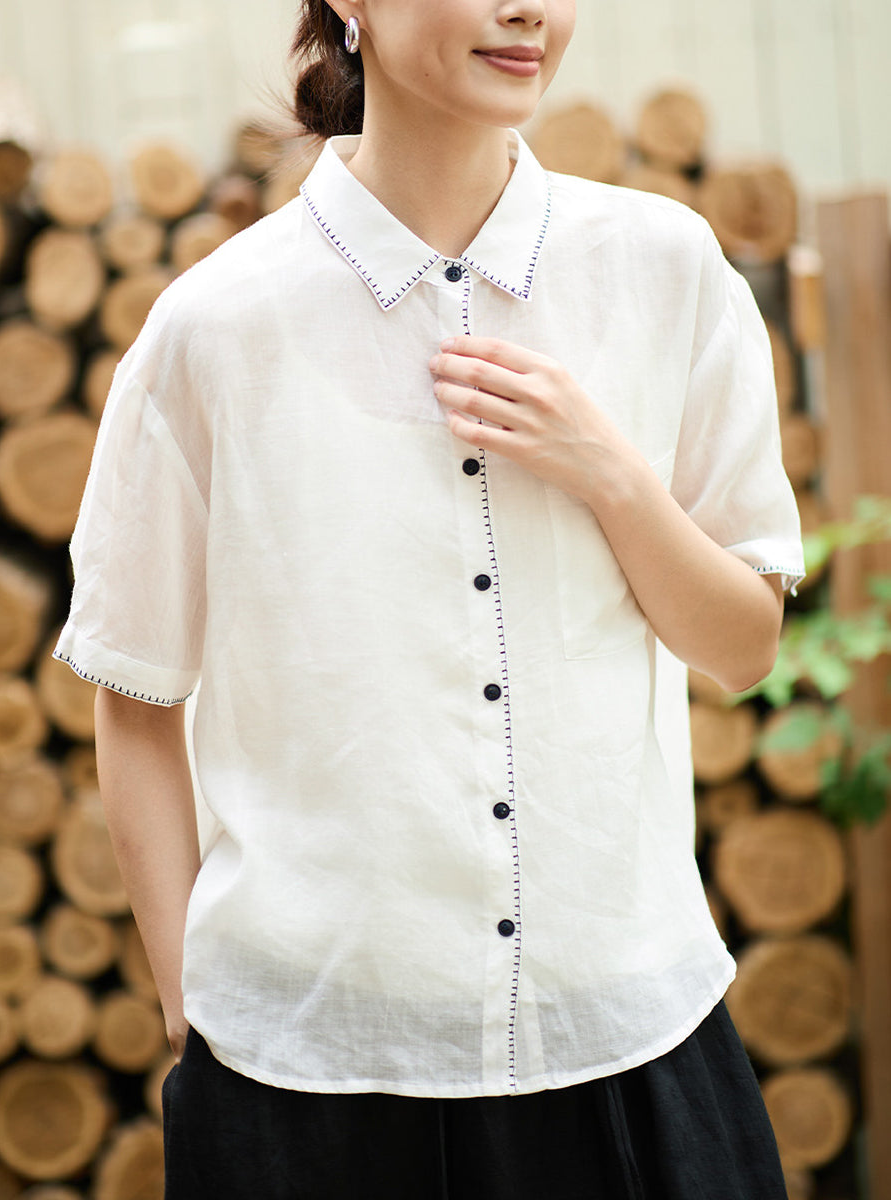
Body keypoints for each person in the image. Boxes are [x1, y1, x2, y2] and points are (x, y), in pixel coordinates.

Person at [55, 1, 805, 1196]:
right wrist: (190, 1012)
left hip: (631, 1043)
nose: (530, 9)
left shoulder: (666, 269)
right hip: (306, 1086)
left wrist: (609, 474)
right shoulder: (214, 328)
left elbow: (745, 644)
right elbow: (135, 695)